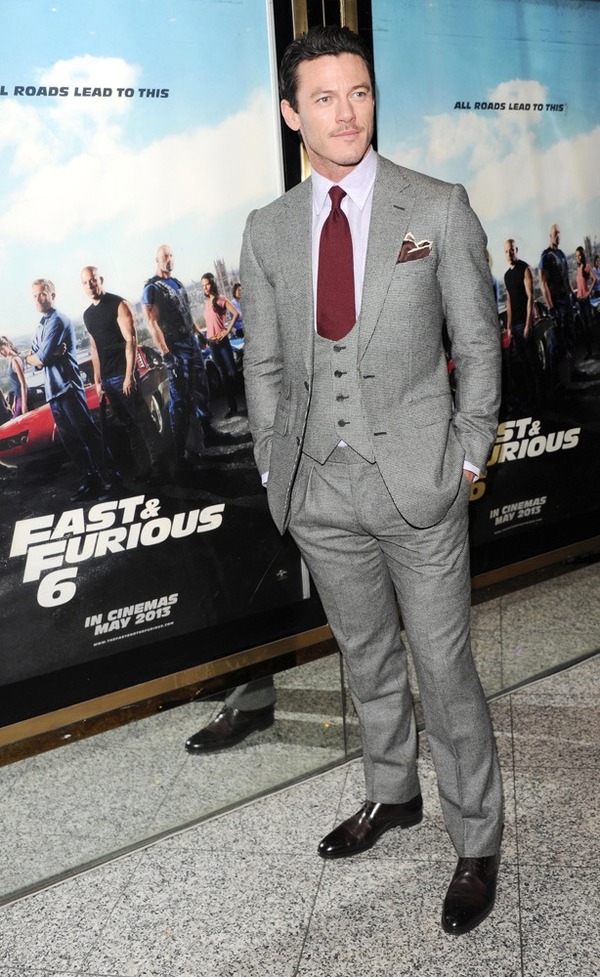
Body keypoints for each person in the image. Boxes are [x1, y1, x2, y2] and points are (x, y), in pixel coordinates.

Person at [238, 25, 504, 936]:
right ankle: (393, 791)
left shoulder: (436, 206)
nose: (346, 113)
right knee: (365, 654)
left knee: (444, 665)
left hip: (419, 482)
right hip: (318, 489)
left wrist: (468, 452)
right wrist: (274, 462)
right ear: (291, 113)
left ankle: (477, 838)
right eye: (324, 97)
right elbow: (265, 363)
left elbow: (477, 342)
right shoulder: (268, 229)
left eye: (359, 92)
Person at [26, 279, 117, 501]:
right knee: (71, 442)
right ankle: (92, 480)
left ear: (52, 295)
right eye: (35, 296)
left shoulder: (58, 320)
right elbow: (33, 358)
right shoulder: (41, 325)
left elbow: (42, 357)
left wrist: (42, 356)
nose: (38, 299)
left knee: (88, 435)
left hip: (68, 388)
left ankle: (112, 478)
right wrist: (39, 356)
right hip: (53, 391)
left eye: (43, 294)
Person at [80, 266, 165, 484]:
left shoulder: (118, 304)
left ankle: (159, 466)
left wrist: (129, 376)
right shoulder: (88, 315)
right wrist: (97, 379)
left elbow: (131, 340)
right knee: (129, 425)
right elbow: (94, 348)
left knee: (142, 420)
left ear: (100, 279)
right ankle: (145, 468)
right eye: (85, 283)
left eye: (93, 280)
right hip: (107, 379)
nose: (90, 285)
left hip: (122, 374)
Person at [141, 245, 217, 472]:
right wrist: (166, 353)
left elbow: (186, 313)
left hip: (191, 343)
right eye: (165, 256)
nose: (169, 259)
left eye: (171, 255)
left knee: (201, 389)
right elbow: (152, 324)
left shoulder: (178, 283)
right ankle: (180, 455)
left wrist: (198, 334)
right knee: (180, 401)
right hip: (175, 348)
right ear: (157, 259)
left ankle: (207, 433)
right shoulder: (151, 288)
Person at [503, 239, 541, 409]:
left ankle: (541, 398)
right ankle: (531, 399)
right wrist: (509, 326)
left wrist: (527, 324)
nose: (509, 254)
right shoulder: (507, 276)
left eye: (511, 250)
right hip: (515, 326)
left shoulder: (525, 269)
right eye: (506, 251)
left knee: (533, 362)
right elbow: (509, 302)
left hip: (524, 324)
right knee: (523, 364)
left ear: (516, 250)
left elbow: (531, 297)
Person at [200, 272, 240, 418]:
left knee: (233, 372)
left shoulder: (221, 299)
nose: (205, 288)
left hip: (222, 342)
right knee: (223, 375)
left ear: (213, 284)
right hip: (212, 344)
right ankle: (232, 407)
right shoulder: (206, 304)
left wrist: (227, 331)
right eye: (203, 286)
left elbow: (236, 313)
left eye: (207, 284)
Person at [539, 223, 575, 359]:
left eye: (559, 233)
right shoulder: (546, 256)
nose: (558, 236)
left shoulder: (561, 254)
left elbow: (566, 277)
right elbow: (543, 283)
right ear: (550, 236)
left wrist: (572, 294)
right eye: (555, 233)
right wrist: (551, 307)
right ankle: (557, 372)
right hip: (556, 303)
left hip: (566, 301)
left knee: (569, 335)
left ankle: (571, 369)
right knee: (557, 340)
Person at [573, 246, 597, 358]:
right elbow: (579, 286)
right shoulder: (578, 269)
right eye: (576, 256)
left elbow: (595, 279)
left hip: (586, 299)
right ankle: (589, 352)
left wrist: (588, 292)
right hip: (579, 301)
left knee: (590, 326)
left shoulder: (587, 267)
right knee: (584, 328)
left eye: (579, 255)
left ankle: (595, 349)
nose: (578, 258)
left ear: (582, 256)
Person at [0, 336, 28, 416]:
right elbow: (15, 384)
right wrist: (15, 401)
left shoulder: (15, 359)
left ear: (7, 345)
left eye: (2, 349)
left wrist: (24, 404)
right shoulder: (11, 359)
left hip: (22, 397)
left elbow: (23, 384)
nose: (1, 354)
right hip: (18, 397)